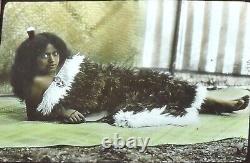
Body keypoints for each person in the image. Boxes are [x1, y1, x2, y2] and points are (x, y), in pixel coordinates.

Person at [10, 29, 249, 128]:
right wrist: (62, 111)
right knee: (156, 98)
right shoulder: (35, 81)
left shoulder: (64, 68)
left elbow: (93, 75)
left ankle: (212, 102)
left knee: (159, 83)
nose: (52, 60)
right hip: (110, 97)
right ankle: (215, 104)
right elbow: (34, 113)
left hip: (115, 79)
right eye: (44, 55)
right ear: (32, 58)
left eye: (55, 53)